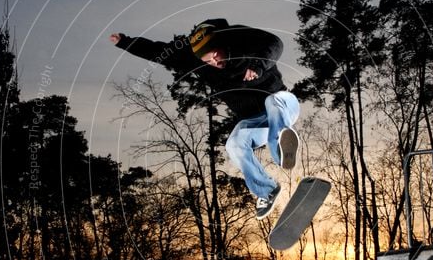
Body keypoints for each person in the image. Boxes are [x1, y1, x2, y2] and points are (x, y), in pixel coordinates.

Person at [109, 18, 300, 218]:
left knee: (272, 102)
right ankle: (267, 190)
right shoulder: (194, 59)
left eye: (216, 55)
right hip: (255, 121)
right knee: (234, 144)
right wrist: (125, 42)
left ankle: (282, 148)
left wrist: (258, 65)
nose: (216, 62)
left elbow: (274, 43)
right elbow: (160, 52)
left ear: (221, 44)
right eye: (209, 61)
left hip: (283, 103)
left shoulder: (239, 36)